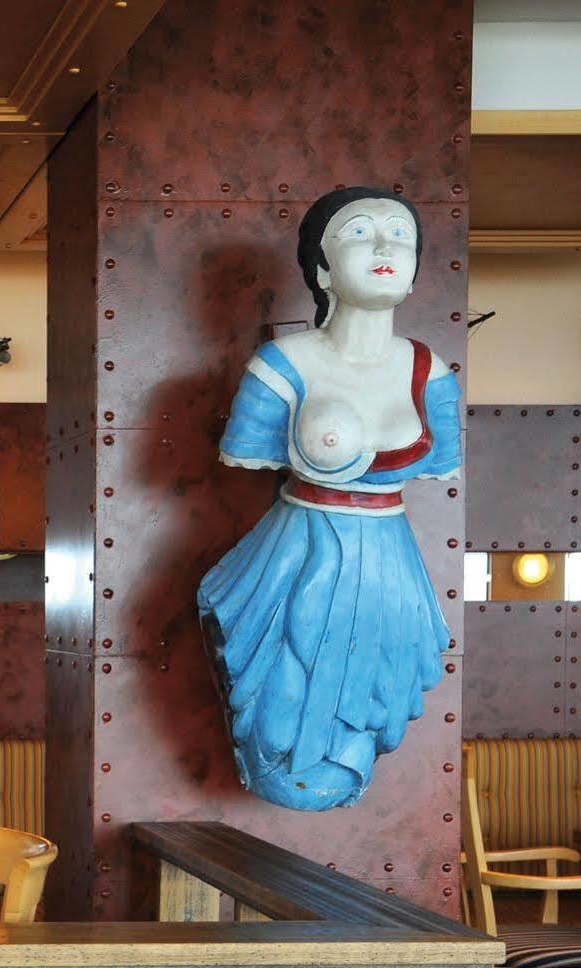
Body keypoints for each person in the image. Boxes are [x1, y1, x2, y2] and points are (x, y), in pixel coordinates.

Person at [198, 186, 462, 811]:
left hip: (390, 554)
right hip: (300, 546)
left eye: (400, 235)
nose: (383, 246)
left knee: (378, 675)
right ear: (321, 268)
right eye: (359, 233)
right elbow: (248, 450)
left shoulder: (432, 371)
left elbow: (442, 460)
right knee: (284, 675)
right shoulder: (281, 363)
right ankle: (284, 764)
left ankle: (339, 767)